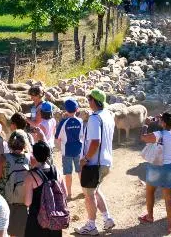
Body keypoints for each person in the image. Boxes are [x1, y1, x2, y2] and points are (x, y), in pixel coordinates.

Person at [75, 89, 116, 235]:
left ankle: (91, 225)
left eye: (89, 99)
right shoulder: (108, 116)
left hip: (93, 163)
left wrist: (85, 158)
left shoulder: (94, 118)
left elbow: (95, 142)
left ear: (94, 101)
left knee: (88, 194)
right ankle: (107, 219)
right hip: (106, 161)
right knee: (95, 191)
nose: (88, 102)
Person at [138, 112, 171, 234]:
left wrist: (146, 124)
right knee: (169, 198)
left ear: (163, 122)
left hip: (156, 167)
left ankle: (150, 216)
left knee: (150, 191)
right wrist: (162, 119)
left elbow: (143, 137)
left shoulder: (158, 134)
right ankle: (170, 226)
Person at [25, 141, 64, 237]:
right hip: (55, 217)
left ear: (34, 155)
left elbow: (27, 202)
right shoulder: (57, 172)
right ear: (48, 154)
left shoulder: (31, 175)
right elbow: (65, 194)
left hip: (37, 217)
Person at [0, 130, 31, 237]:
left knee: (8, 229)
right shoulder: (30, 158)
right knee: (22, 229)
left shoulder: (3, 158)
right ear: (25, 143)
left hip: (6, 200)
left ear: (10, 143)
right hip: (24, 201)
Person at [55, 98, 84, 199]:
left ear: (66, 110)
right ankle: (84, 191)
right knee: (80, 171)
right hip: (78, 150)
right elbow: (82, 136)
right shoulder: (80, 121)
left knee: (68, 173)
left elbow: (57, 137)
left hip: (66, 151)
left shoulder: (63, 122)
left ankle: (69, 194)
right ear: (77, 109)